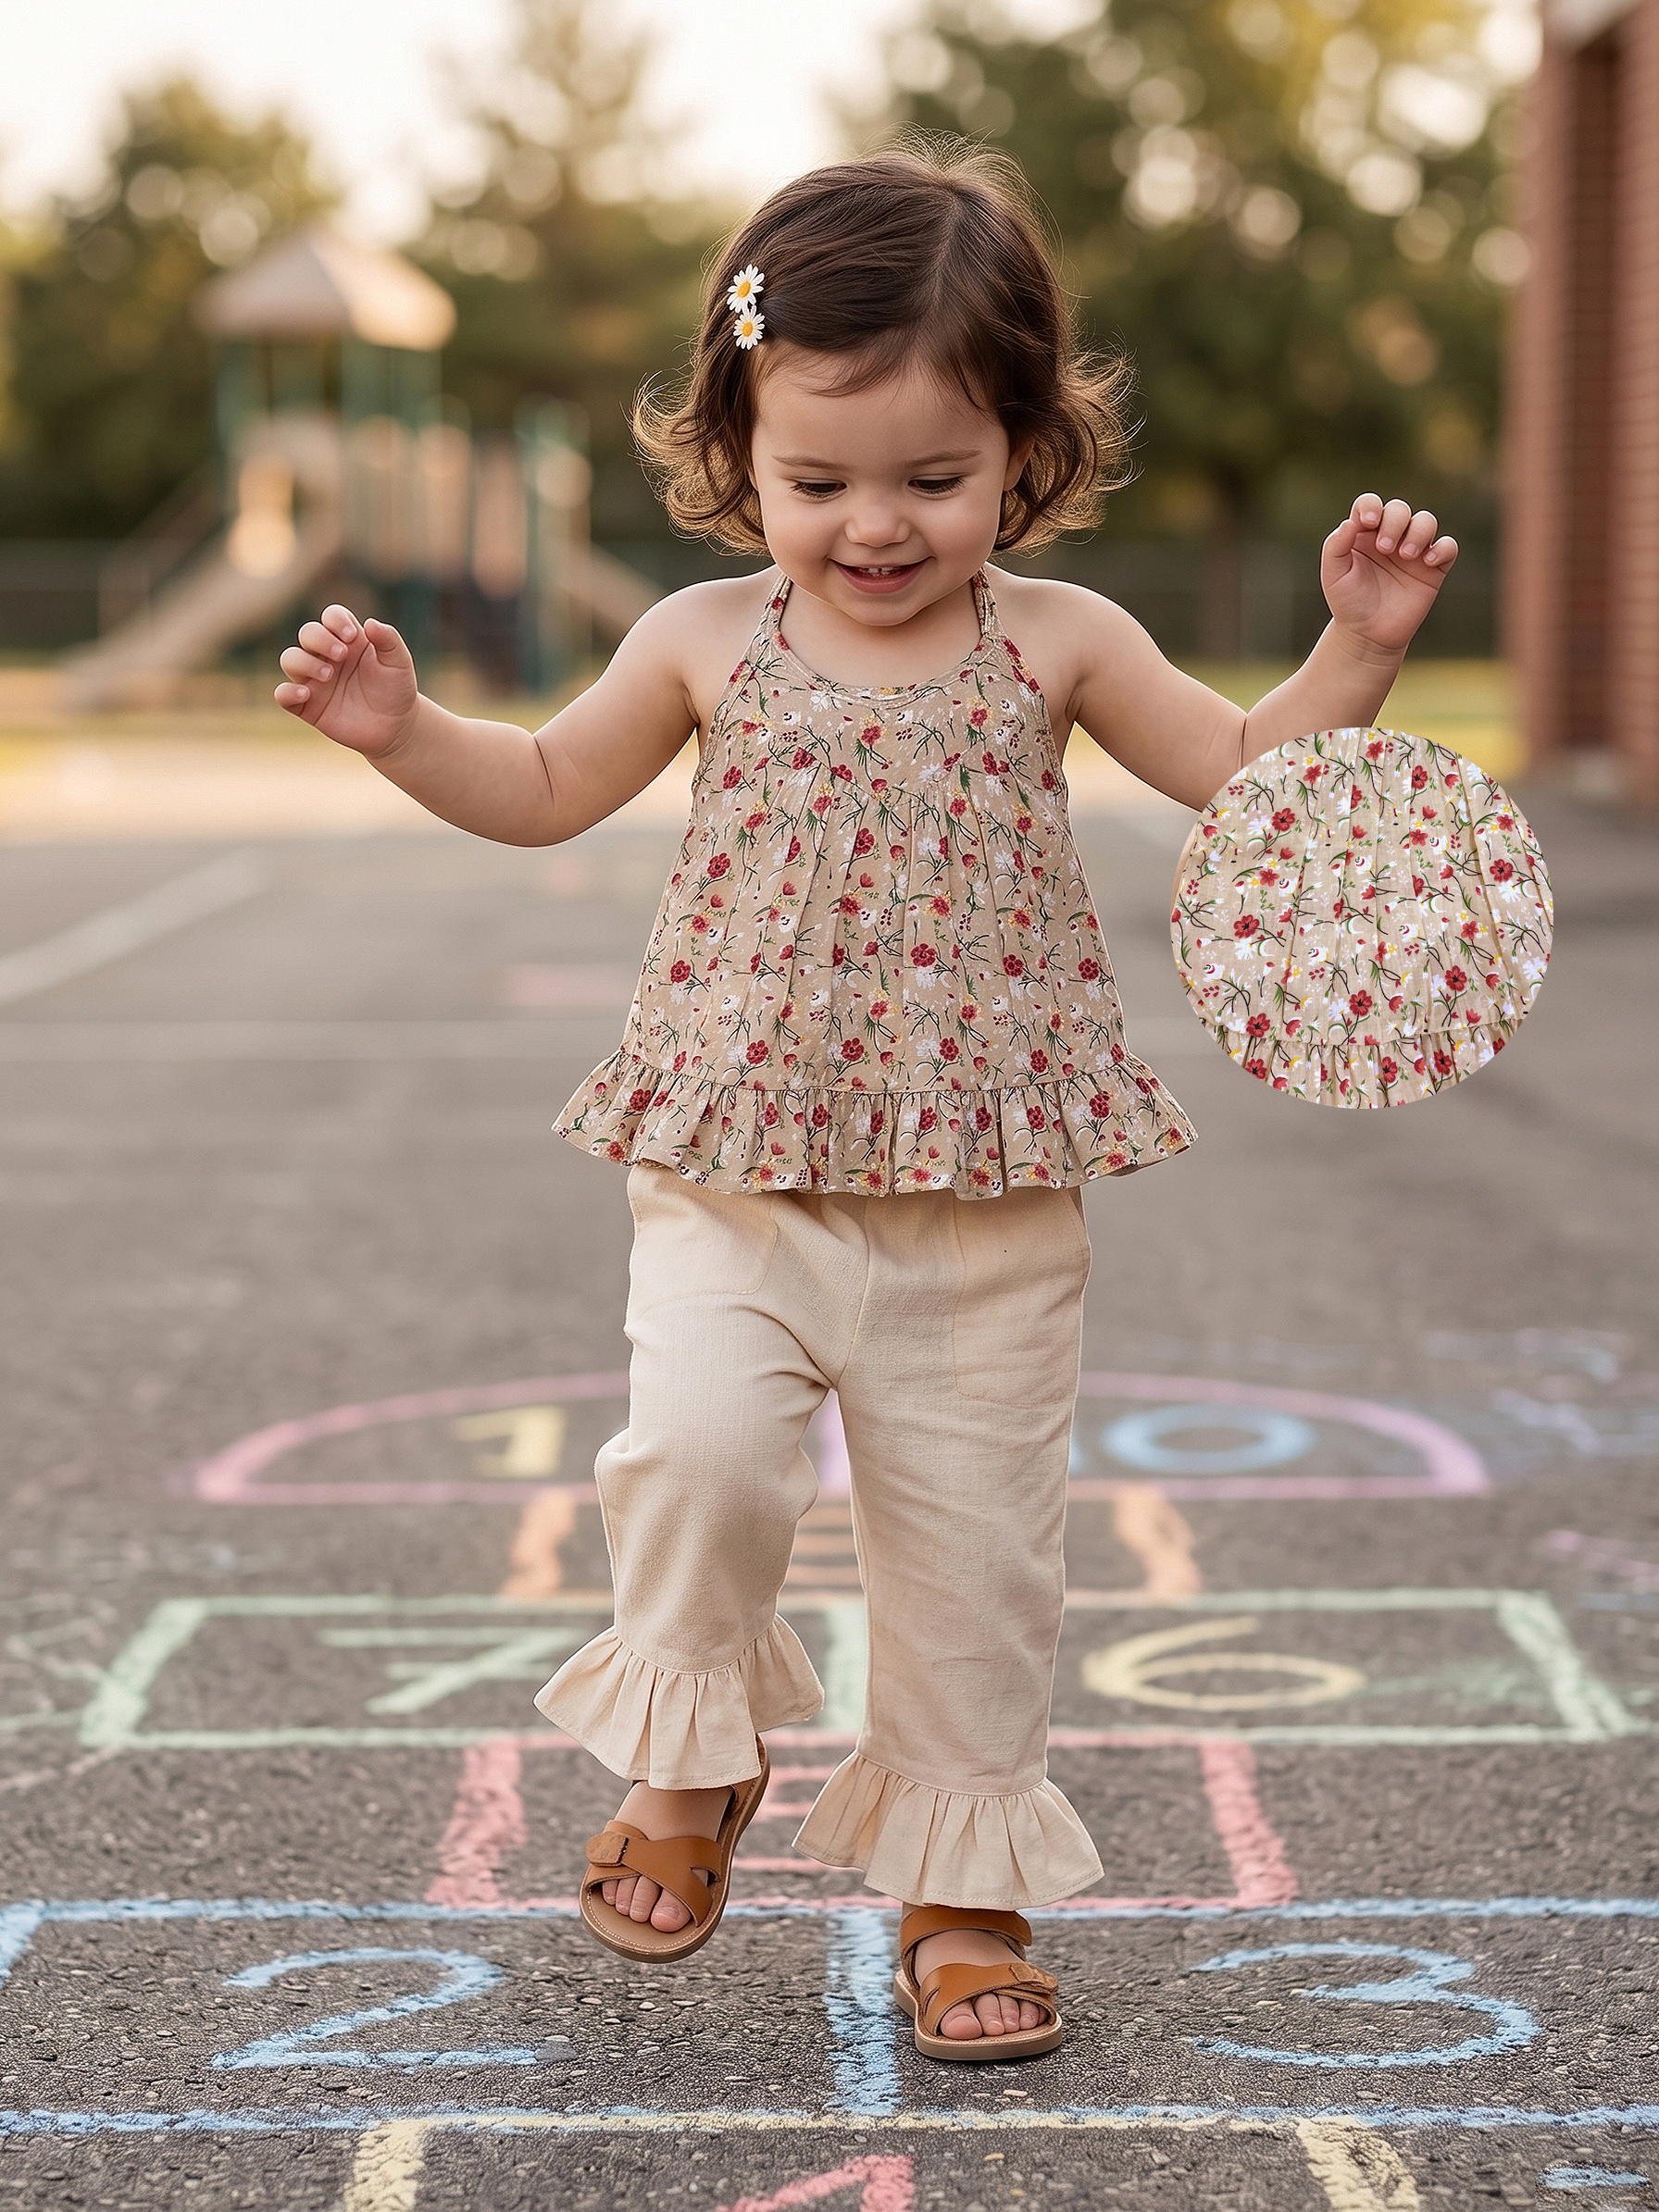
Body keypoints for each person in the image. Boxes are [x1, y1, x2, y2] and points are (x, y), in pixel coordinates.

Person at [275, 143, 1456, 2061]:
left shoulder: (1058, 641)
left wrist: (1361, 648)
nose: (877, 527)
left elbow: (1246, 777)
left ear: (1026, 454)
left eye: (935, 479)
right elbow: (547, 785)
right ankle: (691, 1755)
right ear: (742, 451)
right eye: (819, 483)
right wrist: (408, 734)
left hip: (986, 1204)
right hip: (733, 1171)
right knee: (699, 1462)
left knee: (975, 1565)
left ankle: (960, 1889)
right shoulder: (697, 641)